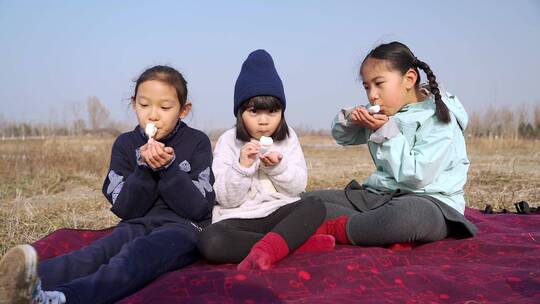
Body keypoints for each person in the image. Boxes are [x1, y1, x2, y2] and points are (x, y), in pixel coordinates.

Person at [0, 65, 215, 304]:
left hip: (183, 229)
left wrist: (169, 169)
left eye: (165, 107)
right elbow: (125, 209)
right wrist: (144, 169)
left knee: (138, 254)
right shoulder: (125, 145)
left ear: (183, 110)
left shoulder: (197, 142)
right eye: (144, 105)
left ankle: (61, 299)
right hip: (136, 223)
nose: (153, 115)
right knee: (96, 253)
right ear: (134, 104)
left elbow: (199, 209)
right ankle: (15, 284)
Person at [304, 41, 477, 247]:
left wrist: (386, 132)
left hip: (430, 203)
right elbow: (342, 137)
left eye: (379, 84)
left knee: (409, 217)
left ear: (409, 79)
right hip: (380, 197)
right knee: (305, 202)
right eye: (367, 87)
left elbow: (416, 176)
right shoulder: (385, 111)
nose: (372, 95)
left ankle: (337, 228)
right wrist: (351, 118)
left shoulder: (439, 118)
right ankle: (369, 228)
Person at [197, 49, 334, 271]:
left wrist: (277, 168)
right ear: (240, 113)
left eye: (272, 112)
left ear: (282, 112)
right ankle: (292, 245)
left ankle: (274, 246)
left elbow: (298, 187)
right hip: (239, 219)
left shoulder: (288, 137)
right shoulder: (228, 141)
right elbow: (224, 199)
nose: (263, 121)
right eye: (254, 112)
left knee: (315, 204)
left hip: (278, 212)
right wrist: (242, 167)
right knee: (209, 242)